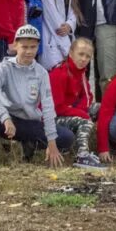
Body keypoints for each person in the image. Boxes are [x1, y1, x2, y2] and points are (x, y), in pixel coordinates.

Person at [0, 24, 71, 167]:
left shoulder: (41, 73)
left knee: (66, 137)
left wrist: (52, 142)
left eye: (33, 47)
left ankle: (29, 144)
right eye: (25, 47)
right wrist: (5, 118)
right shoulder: (5, 67)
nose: (29, 51)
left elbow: (47, 107)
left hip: (28, 122)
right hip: (5, 122)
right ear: (16, 46)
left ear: (38, 47)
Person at [48, 37, 105, 170]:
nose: (84, 59)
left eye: (88, 56)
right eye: (80, 54)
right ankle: (82, 156)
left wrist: (82, 110)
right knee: (85, 121)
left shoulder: (81, 73)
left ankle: (106, 148)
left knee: (102, 108)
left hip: (70, 111)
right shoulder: (59, 73)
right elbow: (58, 107)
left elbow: (88, 97)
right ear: (71, 53)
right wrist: (82, 114)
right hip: (53, 117)